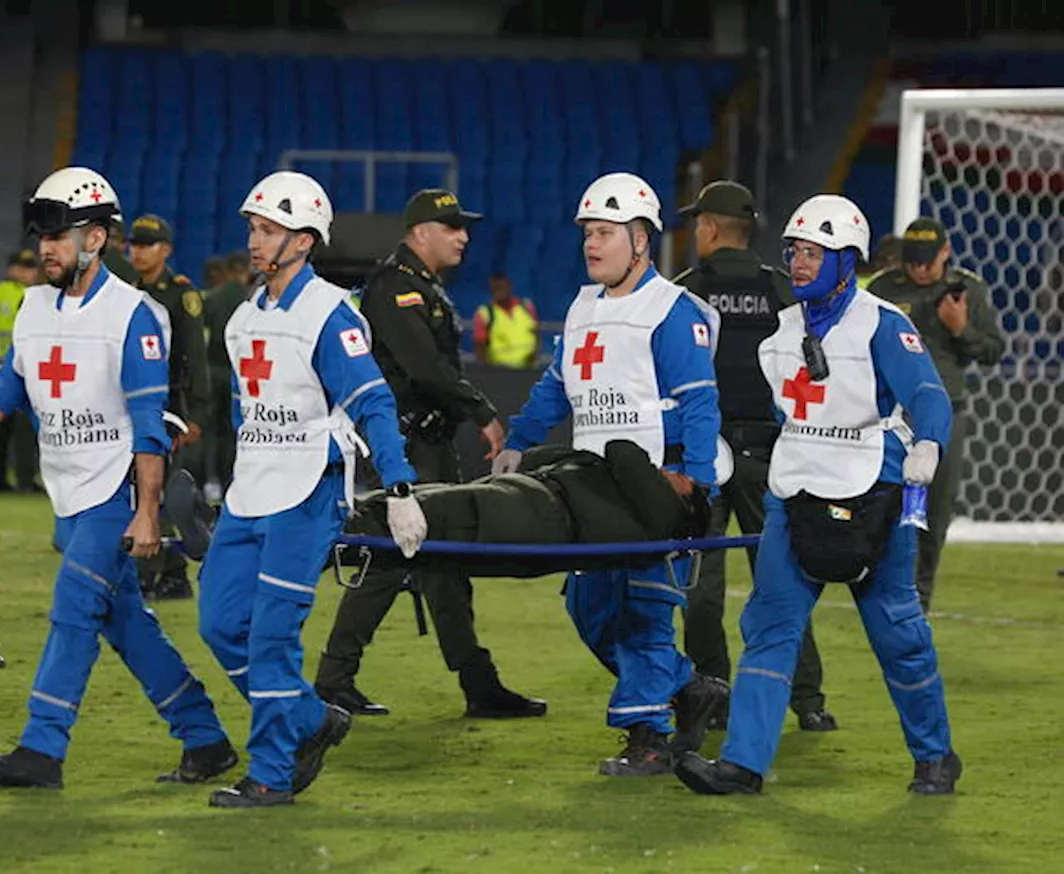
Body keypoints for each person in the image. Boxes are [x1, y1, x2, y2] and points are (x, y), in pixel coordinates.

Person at [0, 167, 236, 789]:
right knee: (125, 621)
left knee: (74, 608)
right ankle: (206, 739)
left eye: (60, 233)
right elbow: (5, 391)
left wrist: (146, 509)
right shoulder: (33, 306)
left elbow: (148, 422)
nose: (46, 246)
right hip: (68, 490)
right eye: (42, 234)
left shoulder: (135, 315)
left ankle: (42, 749)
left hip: (113, 490)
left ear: (99, 237)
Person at [675, 194, 962, 796]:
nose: (799, 263)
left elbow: (929, 394)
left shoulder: (883, 323)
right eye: (795, 251)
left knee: (897, 631)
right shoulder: (779, 333)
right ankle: (743, 764)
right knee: (771, 625)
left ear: (847, 261)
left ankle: (935, 756)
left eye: (815, 252)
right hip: (795, 487)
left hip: (876, 494)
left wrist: (929, 442)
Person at [197, 170, 425, 809]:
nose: (254, 239)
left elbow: (373, 401)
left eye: (267, 229)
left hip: (308, 490)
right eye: (252, 227)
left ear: (303, 241)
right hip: (251, 490)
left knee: (270, 639)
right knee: (217, 624)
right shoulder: (243, 319)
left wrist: (399, 483)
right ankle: (310, 719)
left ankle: (271, 773)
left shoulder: (331, 314)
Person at [492, 172, 729, 777]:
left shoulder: (672, 312)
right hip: (591, 488)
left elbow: (700, 402)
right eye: (588, 234)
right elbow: (557, 386)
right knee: (589, 608)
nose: (591, 244)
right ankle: (689, 687)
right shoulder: (581, 307)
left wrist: (695, 482)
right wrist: (518, 442)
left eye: (604, 233)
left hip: (656, 486)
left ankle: (647, 737)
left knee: (644, 610)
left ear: (641, 240)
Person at [314, 188, 544, 722]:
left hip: (429, 443)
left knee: (442, 561)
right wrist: (484, 411)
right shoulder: (398, 287)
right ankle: (336, 677)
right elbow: (424, 368)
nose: (463, 236)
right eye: (453, 227)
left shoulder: (424, 287)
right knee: (399, 557)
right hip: (410, 448)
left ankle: (473, 682)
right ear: (421, 233)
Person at [673, 180, 836, 732]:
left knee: (699, 584)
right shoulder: (783, 292)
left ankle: (711, 694)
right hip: (773, 456)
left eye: (699, 223)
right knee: (787, 578)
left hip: (706, 459)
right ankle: (809, 701)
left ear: (712, 228)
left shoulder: (685, 293)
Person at [868, 218, 1004, 611]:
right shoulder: (882, 288)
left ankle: (917, 604)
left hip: (945, 417)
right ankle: (876, 588)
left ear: (945, 253)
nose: (920, 268)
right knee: (879, 508)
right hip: (888, 418)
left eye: (928, 260)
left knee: (933, 515)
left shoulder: (967, 291)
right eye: (912, 260)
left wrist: (961, 329)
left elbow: (994, 351)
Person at [347, 438, 710, 563]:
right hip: (527, 502)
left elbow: (623, 451)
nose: (671, 472)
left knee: (417, 515)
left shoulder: (666, 515)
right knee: (410, 503)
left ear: (688, 503)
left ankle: (316, 545)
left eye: (683, 479)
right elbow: (544, 459)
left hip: (530, 513)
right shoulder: (636, 501)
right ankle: (326, 535)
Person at [128, 213, 213, 601]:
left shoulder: (181, 295)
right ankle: (167, 574)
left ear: (166, 250)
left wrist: (195, 414)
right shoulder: (126, 291)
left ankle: (157, 573)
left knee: (160, 487)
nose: (139, 251)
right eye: (135, 244)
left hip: (170, 403)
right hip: (135, 400)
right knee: (142, 485)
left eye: (148, 245)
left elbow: (195, 356)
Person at [0, 249, 39, 493]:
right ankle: (25, 479)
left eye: (31, 267)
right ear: (12, 269)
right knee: (24, 430)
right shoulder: (25, 296)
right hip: (19, 371)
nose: (29, 272)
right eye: (24, 267)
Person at [202, 249, 252, 498]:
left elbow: (202, 340)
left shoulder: (211, 299)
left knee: (211, 432)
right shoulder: (251, 301)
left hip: (212, 372)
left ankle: (207, 483)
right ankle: (231, 483)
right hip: (241, 376)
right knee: (235, 431)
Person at [472, 272, 539, 368]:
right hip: (500, 370)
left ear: (509, 287)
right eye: (495, 289)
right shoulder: (485, 313)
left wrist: (534, 357)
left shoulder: (526, 307)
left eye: (501, 288)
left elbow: (536, 334)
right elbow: (479, 344)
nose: (498, 292)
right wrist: (484, 371)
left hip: (527, 368)